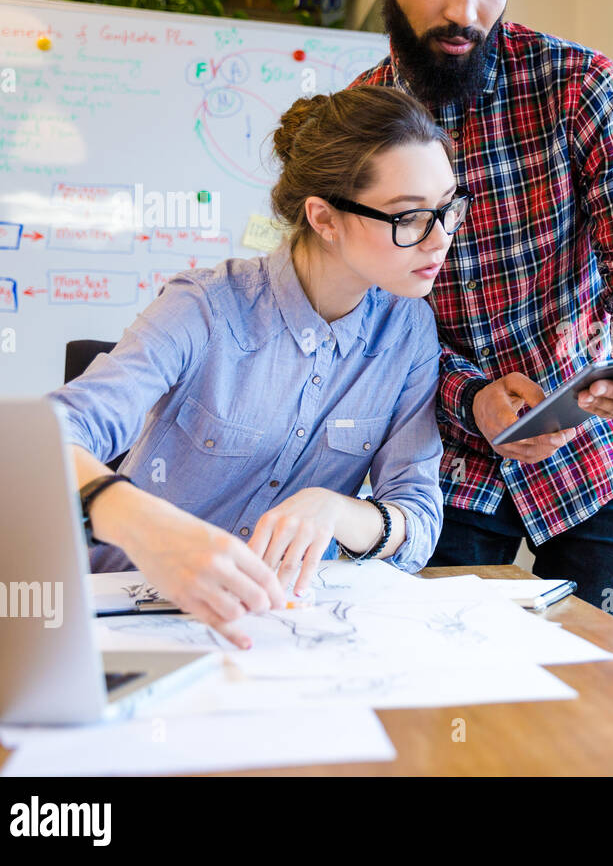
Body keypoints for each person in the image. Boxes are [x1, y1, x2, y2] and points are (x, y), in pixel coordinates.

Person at [351, 0, 613, 622]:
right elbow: (366, 329)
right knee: (449, 704)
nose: (462, 11)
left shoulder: (583, 88)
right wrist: (471, 397)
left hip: (598, 462)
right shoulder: (358, 125)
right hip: (447, 472)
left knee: (593, 701)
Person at [49, 86, 460, 648]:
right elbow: (47, 438)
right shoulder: (205, 307)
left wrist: (335, 509)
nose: (439, 239)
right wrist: (143, 523)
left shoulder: (408, 330)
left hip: (277, 630)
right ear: (325, 218)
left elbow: (418, 524)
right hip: (129, 618)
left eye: (447, 209)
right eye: (410, 216)